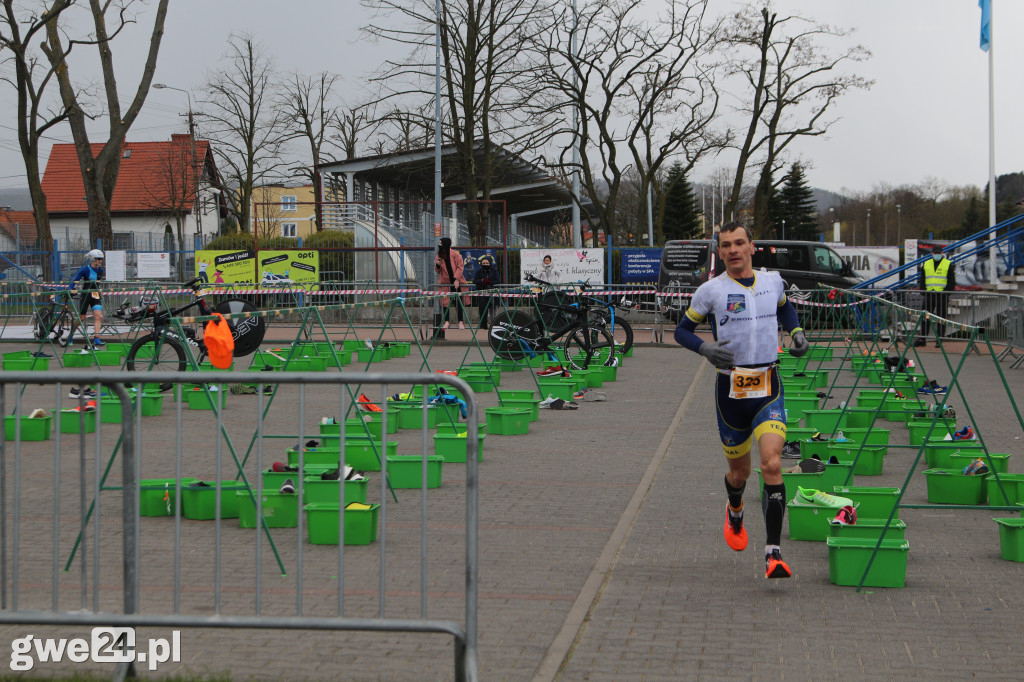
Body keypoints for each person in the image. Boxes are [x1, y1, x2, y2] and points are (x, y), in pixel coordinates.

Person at [673, 222, 808, 579]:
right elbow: (680, 331)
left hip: (768, 386)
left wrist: (796, 332)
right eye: (725, 245)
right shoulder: (710, 291)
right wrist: (704, 347)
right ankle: (734, 511)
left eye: (739, 243)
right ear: (719, 252)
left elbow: (785, 309)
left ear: (752, 246)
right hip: (730, 391)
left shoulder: (772, 281)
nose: (733, 250)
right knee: (740, 473)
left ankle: (773, 553)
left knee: (772, 464)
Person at [916, 244, 956, 347]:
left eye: (939, 253)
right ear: (932, 253)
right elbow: (923, 279)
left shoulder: (948, 264)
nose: (937, 255)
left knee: (941, 318)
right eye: (935, 253)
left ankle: (939, 340)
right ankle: (922, 339)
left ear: (942, 253)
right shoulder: (926, 263)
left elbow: (952, 281)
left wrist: (946, 292)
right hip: (929, 294)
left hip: (941, 295)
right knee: (925, 317)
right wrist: (923, 290)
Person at [70, 249, 106, 346]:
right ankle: (71, 335)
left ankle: (97, 339)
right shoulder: (85, 269)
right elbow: (75, 280)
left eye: (101, 259)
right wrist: (70, 289)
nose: (100, 261)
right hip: (86, 295)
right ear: (93, 259)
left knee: (99, 316)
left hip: (95, 295)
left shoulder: (101, 270)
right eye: (98, 259)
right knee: (81, 317)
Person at [435, 237, 468, 330]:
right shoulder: (439, 255)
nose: (439, 245)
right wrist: (437, 265)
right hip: (445, 283)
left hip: (455, 282)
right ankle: (447, 321)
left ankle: (460, 322)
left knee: (458, 302)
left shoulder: (455, 254)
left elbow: (460, 266)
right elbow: (438, 269)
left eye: (441, 243)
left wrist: (456, 279)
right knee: (445, 303)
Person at [473, 253, 501, 329]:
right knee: (482, 309)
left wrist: (489, 281)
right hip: (482, 293)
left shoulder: (494, 271)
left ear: (490, 263)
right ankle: (483, 325)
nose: (485, 264)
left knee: (493, 310)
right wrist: (482, 281)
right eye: (484, 263)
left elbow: (498, 281)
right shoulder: (479, 272)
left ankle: (494, 325)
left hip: (493, 293)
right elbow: (475, 281)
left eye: (487, 263)